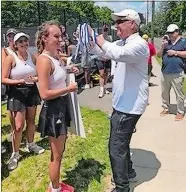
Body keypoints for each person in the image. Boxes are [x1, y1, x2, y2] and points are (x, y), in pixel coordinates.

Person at [89, 9, 149, 192]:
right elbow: (103, 54)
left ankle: (122, 187)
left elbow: (116, 53)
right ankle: (129, 172)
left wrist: (98, 38)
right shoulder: (121, 43)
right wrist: (91, 41)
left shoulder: (139, 44)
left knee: (116, 147)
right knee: (123, 143)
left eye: (120, 21)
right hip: (123, 105)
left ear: (132, 23)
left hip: (129, 107)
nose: (117, 26)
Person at [35, 20, 78, 192]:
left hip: (62, 106)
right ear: (45, 38)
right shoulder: (44, 60)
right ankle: (54, 189)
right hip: (53, 110)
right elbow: (44, 93)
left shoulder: (55, 57)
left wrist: (70, 70)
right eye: (56, 36)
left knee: (60, 150)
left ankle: (57, 184)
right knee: (57, 155)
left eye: (61, 36)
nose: (61, 39)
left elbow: (57, 77)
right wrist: (69, 88)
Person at [2, 32, 45, 171]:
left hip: (31, 91)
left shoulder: (32, 57)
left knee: (31, 120)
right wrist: (18, 81)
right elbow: (3, 79)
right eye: (20, 41)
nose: (24, 43)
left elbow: (40, 75)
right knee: (19, 126)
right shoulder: (10, 58)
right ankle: (15, 154)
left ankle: (31, 144)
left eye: (25, 41)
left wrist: (35, 79)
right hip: (17, 92)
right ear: (15, 44)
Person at [157, 24, 186, 121]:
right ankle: (166, 108)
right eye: (168, 33)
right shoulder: (166, 43)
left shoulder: (183, 42)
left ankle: (180, 111)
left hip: (177, 72)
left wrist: (175, 53)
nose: (170, 34)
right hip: (165, 71)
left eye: (171, 32)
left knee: (179, 93)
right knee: (164, 92)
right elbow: (158, 55)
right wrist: (162, 47)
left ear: (177, 32)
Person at [1, 28, 19, 152]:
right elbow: (4, 66)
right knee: (11, 109)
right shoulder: (5, 51)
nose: (11, 38)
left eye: (13, 36)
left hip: (20, 82)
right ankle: (13, 131)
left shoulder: (20, 49)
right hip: (9, 83)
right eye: (9, 36)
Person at [96, 25, 112, 98]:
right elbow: (97, 49)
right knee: (102, 74)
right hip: (100, 58)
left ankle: (105, 87)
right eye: (104, 30)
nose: (105, 32)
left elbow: (110, 49)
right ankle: (101, 90)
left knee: (107, 73)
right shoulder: (99, 38)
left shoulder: (109, 38)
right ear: (102, 30)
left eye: (106, 30)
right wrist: (102, 57)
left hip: (107, 59)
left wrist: (108, 57)